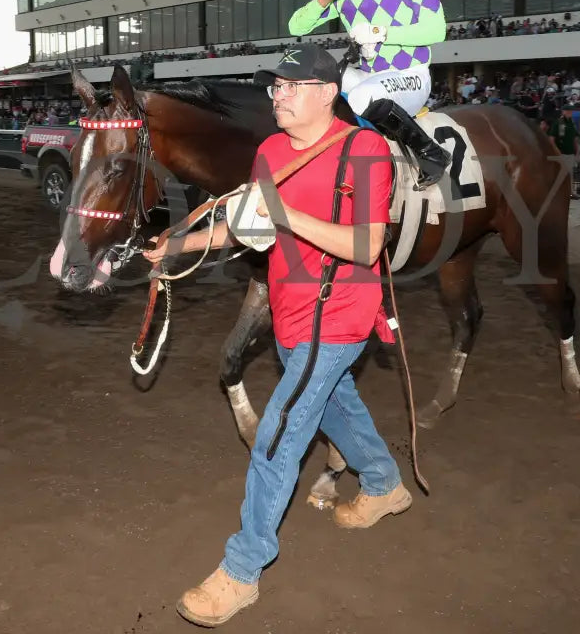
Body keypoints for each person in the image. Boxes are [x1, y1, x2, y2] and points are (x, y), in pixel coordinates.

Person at [144, 44, 408, 628]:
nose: (277, 97)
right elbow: (243, 227)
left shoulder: (365, 150)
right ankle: (385, 483)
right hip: (290, 313)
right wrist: (177, 244)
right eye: (274, 88)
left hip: (339, 315)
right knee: (336, 405)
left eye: (288, 87)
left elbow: (367, 245)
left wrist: (285, 213)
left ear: (326, 93)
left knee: (279, 432)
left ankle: (242, 569)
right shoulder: (269, 151)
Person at [288, 0, 449, 188]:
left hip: (409, 74)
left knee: (362, 98)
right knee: (316, 90)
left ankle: (430, 152)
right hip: (367, 74)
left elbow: (436, 30)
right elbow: (296, 27)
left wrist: (381, 32)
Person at [549, 103, 580, 199]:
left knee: (570, 173)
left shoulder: (571, 122)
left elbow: (575, 138)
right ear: (564, 112)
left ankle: (570, 192)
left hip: (570, 152)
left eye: (571, 111)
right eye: (569, 111)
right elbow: (551, 139)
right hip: (561, 152)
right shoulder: (558, 123)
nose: (571, 112)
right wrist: (557, 152)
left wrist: (577, 151)